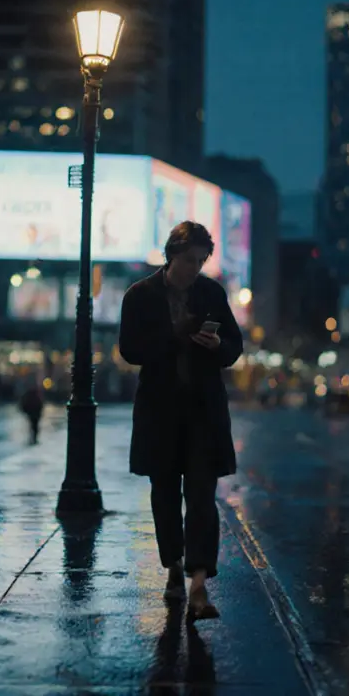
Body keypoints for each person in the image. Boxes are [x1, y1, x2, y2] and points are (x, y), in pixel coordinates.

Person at [119, 221, 243, 622]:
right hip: (160, 411)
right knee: (165, 494)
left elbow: (234, 348)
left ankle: (199, 585)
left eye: (202, 260)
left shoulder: (211, 293)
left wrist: (216, 344)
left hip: (203, 411)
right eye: (190, 259)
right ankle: (173, 567)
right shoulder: (140, 295)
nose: (195, 267)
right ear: (172, 254)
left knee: (204, 498)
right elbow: (130, 350)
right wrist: (176, 335)